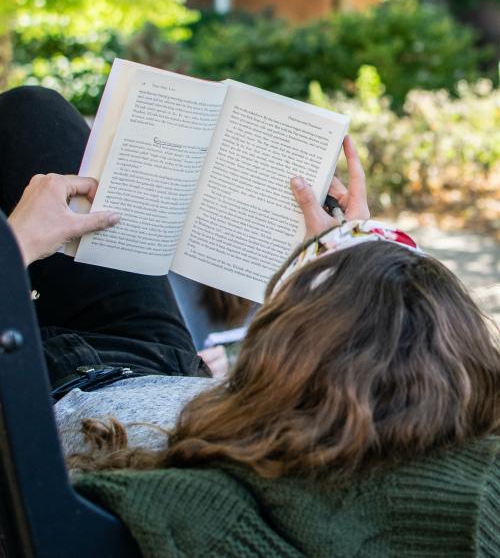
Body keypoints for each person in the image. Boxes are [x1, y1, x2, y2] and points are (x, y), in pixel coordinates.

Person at [3, 86, 499, 556]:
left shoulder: (194, 501)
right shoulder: (399, 440)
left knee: (30, 118)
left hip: (44, 383)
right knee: (31, 113)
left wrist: (19, 246)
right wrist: (342, 249)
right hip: (160, 361)